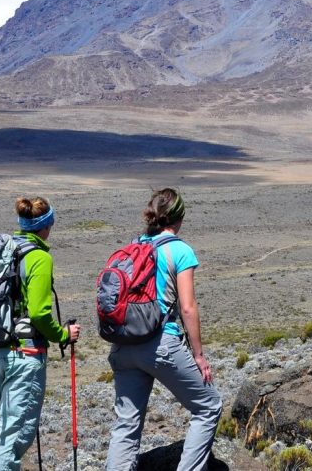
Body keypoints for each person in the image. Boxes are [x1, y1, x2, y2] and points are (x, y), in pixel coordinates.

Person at [106, 188, 222, 471]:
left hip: (123, 346)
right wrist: (198, 355)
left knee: (127, 424)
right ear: (179, 217)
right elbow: (188, 307)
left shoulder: (134, 246)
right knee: (208, 407)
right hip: (161, 344)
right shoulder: (180, 250)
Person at [0, 196, 81, 470]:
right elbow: (40, 313)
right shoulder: (38, 257)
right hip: (25, 356)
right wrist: (63, 335)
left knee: (5, 427)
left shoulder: (7, 249)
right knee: (15, 437)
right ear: (47, 224)